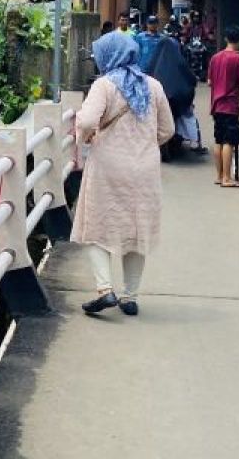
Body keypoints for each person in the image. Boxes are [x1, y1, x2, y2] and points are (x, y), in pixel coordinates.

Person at [72, 32, 175, 317]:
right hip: (145, 169)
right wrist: (144, 146)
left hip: (107, 166)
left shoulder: (104, 85)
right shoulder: (153, 85)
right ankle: (131, 296)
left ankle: (105, 291)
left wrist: (85, 137)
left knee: (94, 227)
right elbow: (168, 130)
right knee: (137, 229)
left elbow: (88, 120)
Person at [208, 26, 239, 188]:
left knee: (218, 140)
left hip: (216, 104)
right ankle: (227, 178)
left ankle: (219, 176)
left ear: (226, 38)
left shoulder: (215, 58)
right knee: (229, 141)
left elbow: (210, 82)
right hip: (230, 104)